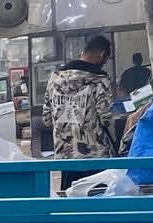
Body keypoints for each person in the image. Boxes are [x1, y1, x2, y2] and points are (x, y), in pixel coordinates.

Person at [42, 35, 115, 190]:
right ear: (102, 55)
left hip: (66, 157)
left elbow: (47, 119)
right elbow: (106, 119)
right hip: (95, 158)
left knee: (70, 199)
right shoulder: (100, 80)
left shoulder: (54, 78)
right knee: (97, 199)